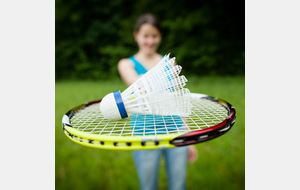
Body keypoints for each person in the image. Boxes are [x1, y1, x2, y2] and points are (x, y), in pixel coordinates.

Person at [118, 13, 198, 190]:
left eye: (154, 36)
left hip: (175, 130)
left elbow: (179, 101)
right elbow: (136, 84)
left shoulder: (169, 63)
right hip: (144, 131)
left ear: (160, 37)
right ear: (136, 35)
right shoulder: (126, 64)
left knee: (178, 186)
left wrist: (189, 137)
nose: (150, 41)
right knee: (148, 187)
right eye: (145, 36)